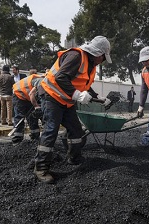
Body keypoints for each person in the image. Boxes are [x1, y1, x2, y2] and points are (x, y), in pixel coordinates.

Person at [34, 35, 112, 184]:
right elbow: (60, 78)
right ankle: (41, 168)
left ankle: (74, 158)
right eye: (103, 57)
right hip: (51, 97)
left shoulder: (91, 65)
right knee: (51, 130)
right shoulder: (76, 56)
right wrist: (76, 94)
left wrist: (98, 97)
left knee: (76, 131)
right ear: (98, 53)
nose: (102, 61)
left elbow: (84, 84)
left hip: (66, 100)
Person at [11, 71, 45, 145]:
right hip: (18, 94)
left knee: (32, 116)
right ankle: (17, 139)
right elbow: (31, 94)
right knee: (20, 116)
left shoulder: (45, 81)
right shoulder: (42, 82)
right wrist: (37, 107)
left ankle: (35, 137)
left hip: (27, 97)